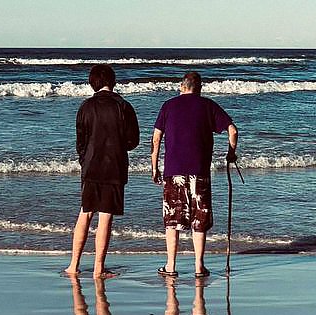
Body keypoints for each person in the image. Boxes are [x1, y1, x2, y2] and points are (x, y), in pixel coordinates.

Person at [151, 71, 238, 278]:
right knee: (199, 220)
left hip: (174, 172)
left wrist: (154, 167)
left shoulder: (168, 106)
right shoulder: (208, 105)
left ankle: (171, 266)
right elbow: (232, 130)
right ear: (199, 88)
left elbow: (156, 139)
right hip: (200, 172)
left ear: (182, 86)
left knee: (173, 220)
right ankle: (199, 266)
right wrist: (231, 153)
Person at [65, 64, 140, 278]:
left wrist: (84, 159)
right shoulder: (123, 106)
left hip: (90, 165)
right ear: (113, 82)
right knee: (105, 217)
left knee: (85, 213)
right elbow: (133, 140)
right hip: (114, 166)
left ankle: (73, 264)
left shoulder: (86, 107)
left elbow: (80, 141)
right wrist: (118, 146)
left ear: (92, 83)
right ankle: (99, 267)